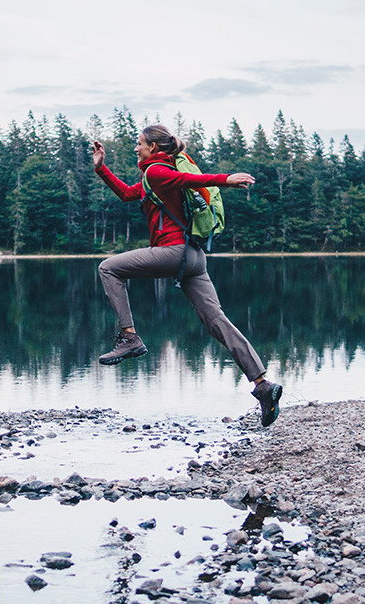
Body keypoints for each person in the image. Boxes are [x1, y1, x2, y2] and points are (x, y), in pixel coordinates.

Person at [92, 124, 283, 427]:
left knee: (108, 268)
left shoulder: (157, 171)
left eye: (139, 143)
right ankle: (262, 384)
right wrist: (102, 169)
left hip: (173, 252)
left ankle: (129, 337)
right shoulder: (152, 177)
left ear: (154, 148)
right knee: (217, 321)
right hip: (194, 257)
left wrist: (226, 181)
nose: (135, 147)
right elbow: (128, 195)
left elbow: (188, 180)